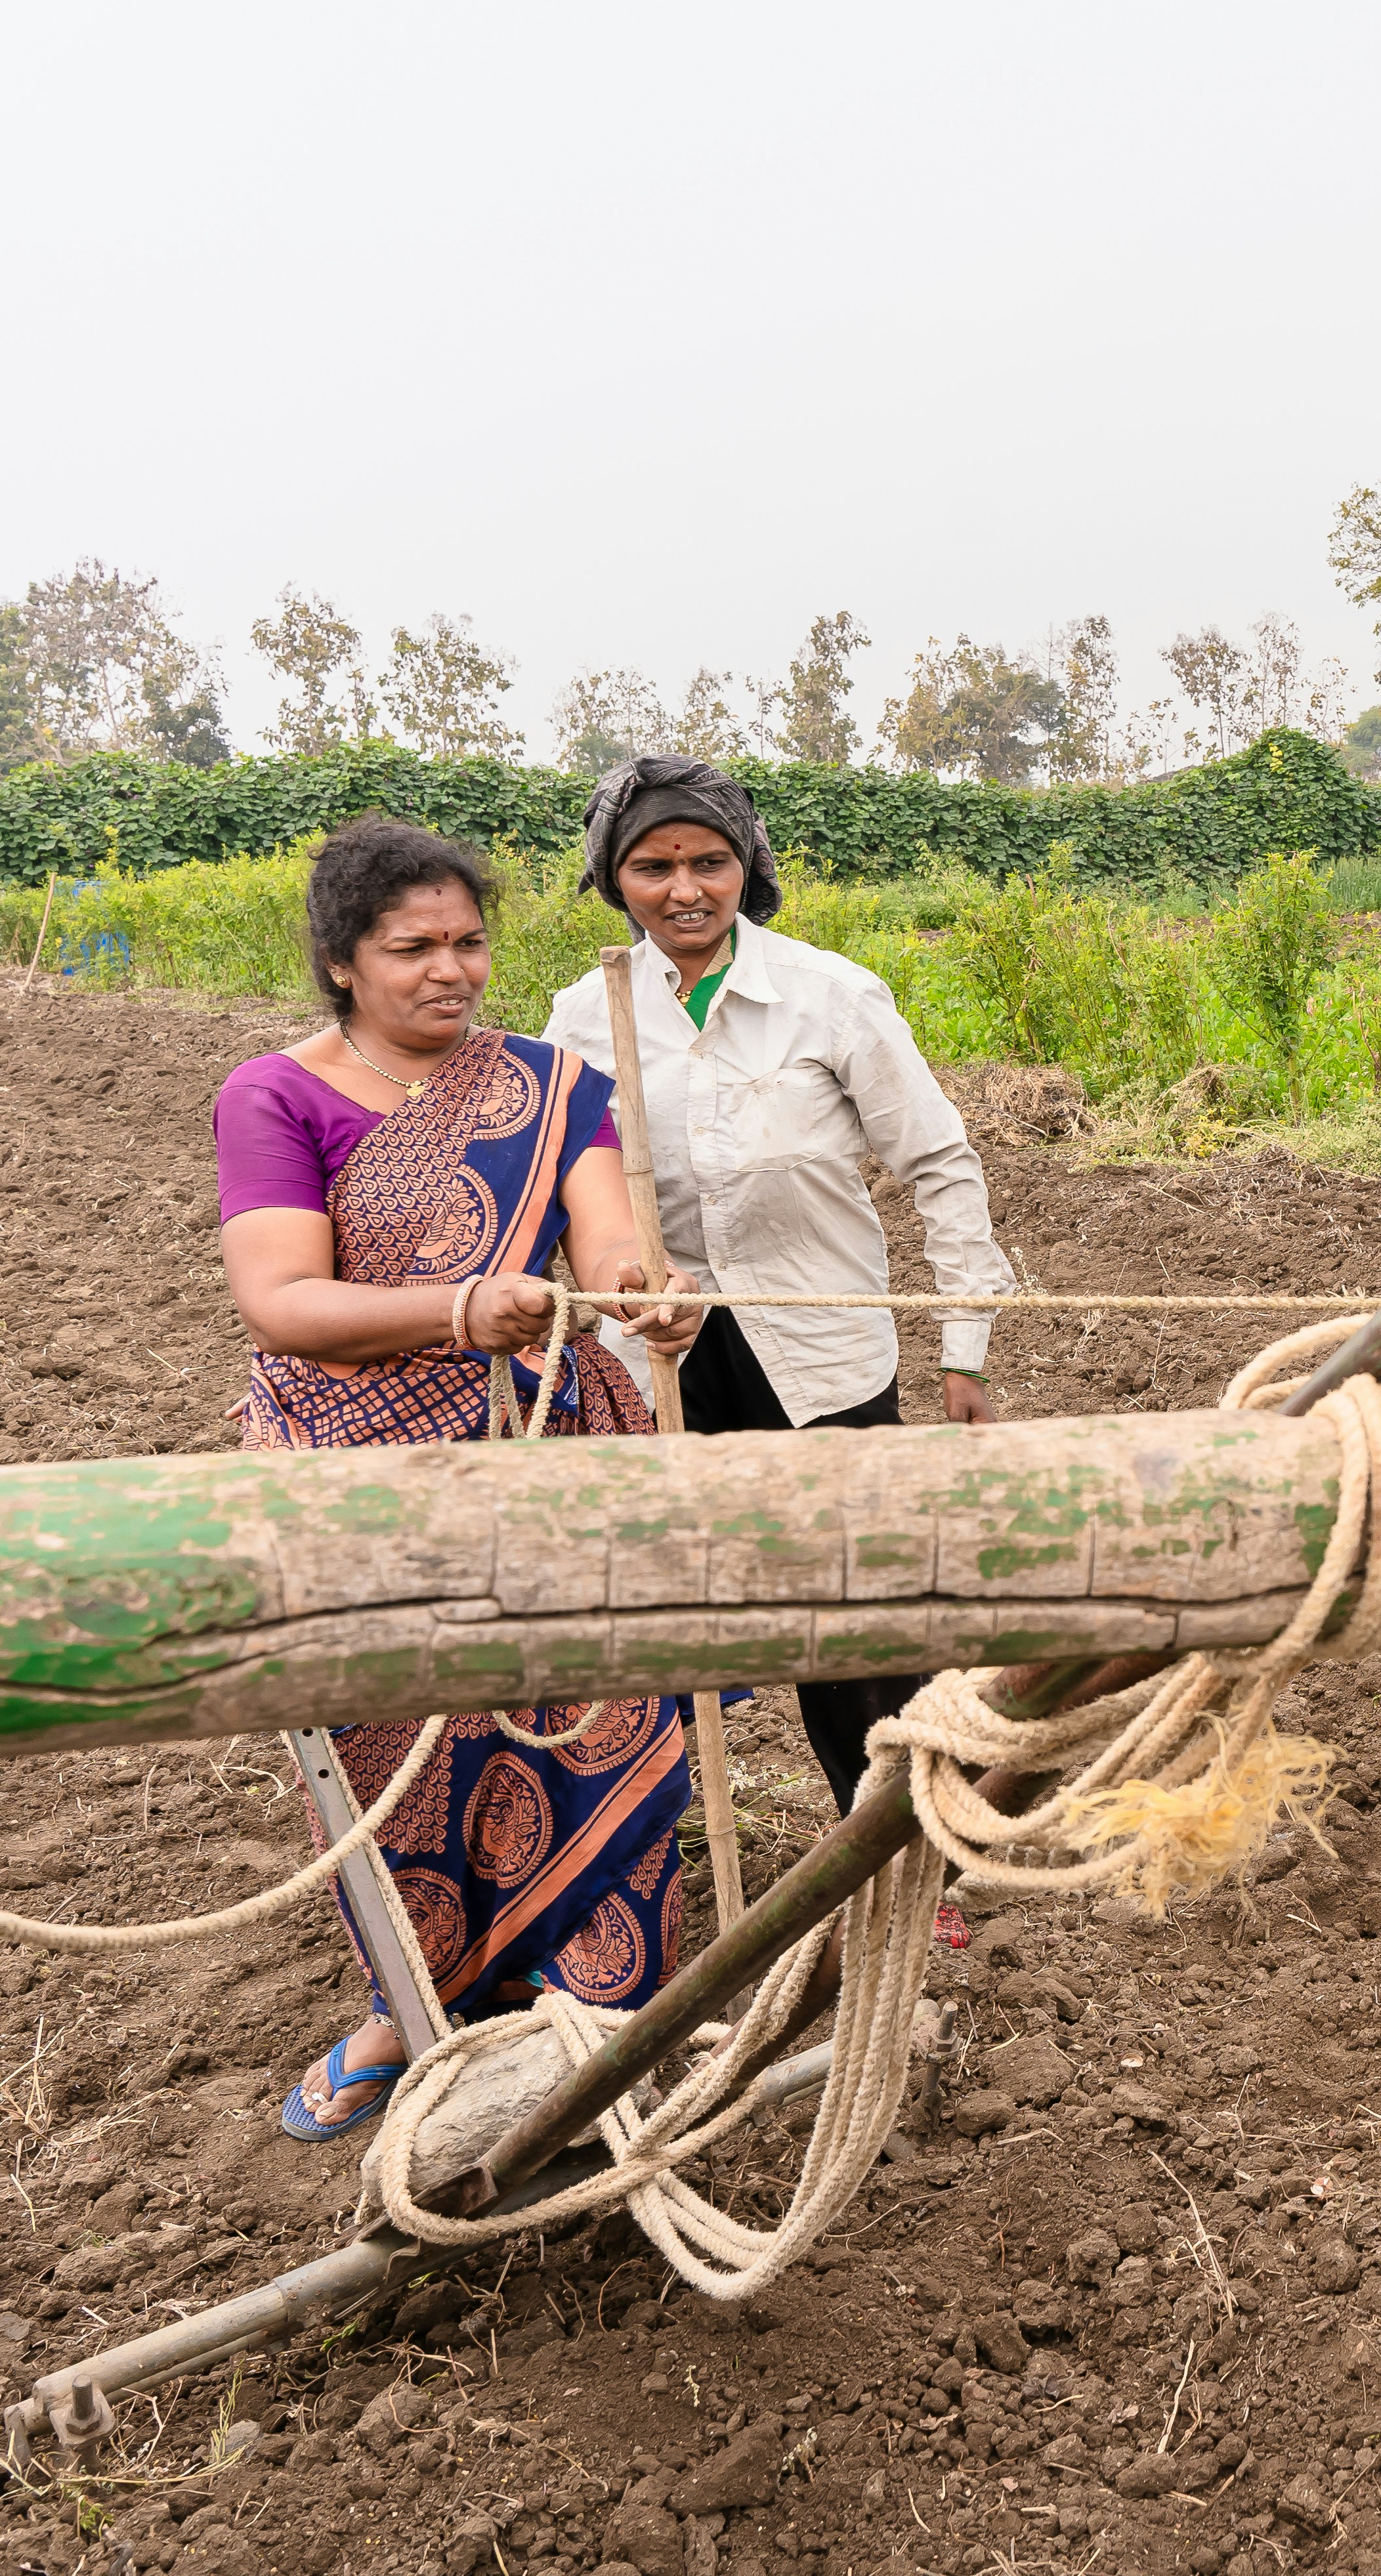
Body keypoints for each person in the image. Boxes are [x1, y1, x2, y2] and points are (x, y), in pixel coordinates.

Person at [216, 813, 715, 2141]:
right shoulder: (276, 1095)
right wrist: (455, 1310)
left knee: (601, 1719)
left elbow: (606, 1246)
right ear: (341, 962)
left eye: (470, 941)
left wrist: (652, 1297)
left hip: (550, 1452)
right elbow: (280, 1300)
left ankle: (606, 2014)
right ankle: (414, 2001)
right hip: (354, 1472)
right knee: (405, 1757)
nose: (451, 970)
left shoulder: (557, 1082)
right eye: (412, 948)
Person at [542, 756, 1017, 1943]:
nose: (685, 888)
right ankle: (628, 1871)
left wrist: (964, 1348)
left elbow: (939, 1167)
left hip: (820, 1361)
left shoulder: (830, 996)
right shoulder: (580, 1015)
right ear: (614, 880)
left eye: (708, 861)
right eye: (653, 866)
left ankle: (914, 1872)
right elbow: (559, 1185)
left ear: (748, 864)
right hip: (652, 1362)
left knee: (855, 1635)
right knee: (656, 1620)